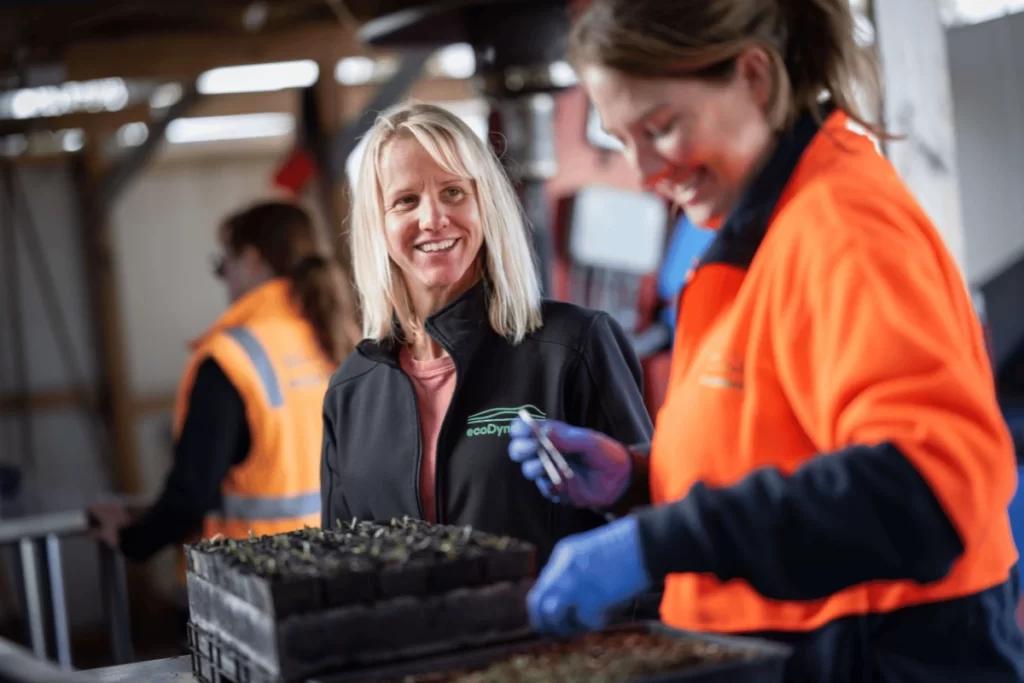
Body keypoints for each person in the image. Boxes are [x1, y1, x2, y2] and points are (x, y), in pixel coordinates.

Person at [507, 1, 1024, 680]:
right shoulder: (760, 227)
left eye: (659, 128)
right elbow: (785, 447)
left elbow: (927, 483)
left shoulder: (842, 225)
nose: (644, 170)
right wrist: (640, 480)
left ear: (753, 77)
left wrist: (655, 541)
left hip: (884, 653)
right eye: (621, 137)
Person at [320, 102, 653, 565]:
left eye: (453, 192)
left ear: (485, 205)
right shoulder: (350, 390)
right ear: (378, 226)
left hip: (558, 636)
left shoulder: (574, 346)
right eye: (405, 200)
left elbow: (647, 524)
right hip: (406, 640)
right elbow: (335, 564)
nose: (432, 217)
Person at [89, 201, 348, 571]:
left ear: (252, 260)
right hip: (339, 571)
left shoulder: (233, 357)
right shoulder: (335, 340)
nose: (224, 277)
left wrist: (131, 539)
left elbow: (191, 495)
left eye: (221, 264)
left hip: (254, 585)